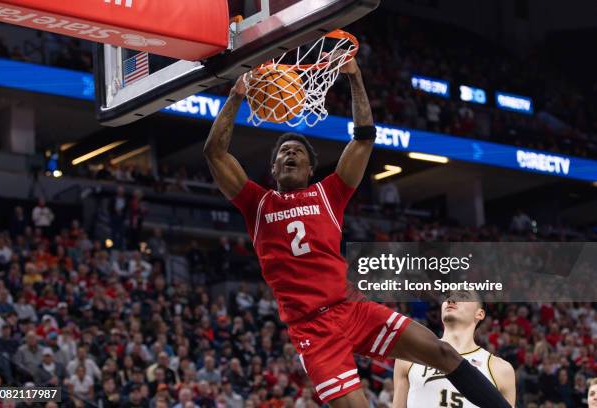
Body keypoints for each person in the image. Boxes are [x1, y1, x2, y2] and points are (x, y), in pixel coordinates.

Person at [204, 57, 511, 407]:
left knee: (443, 352)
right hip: (312, 329)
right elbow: (214, 152)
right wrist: (236, 94)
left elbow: (364, 138)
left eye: (297, 153)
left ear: (310, 168)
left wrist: (354, 77)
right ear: (273, 168)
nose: (289, 155)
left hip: (353, 309)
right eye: (282, 153)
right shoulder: (256, 203)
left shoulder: (329, 192)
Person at [393, 290, 516, 407]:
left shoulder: (500, 369)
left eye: (463, 296)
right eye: (448, 296)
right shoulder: (410, 357)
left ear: (479, 314)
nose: (451, 300)